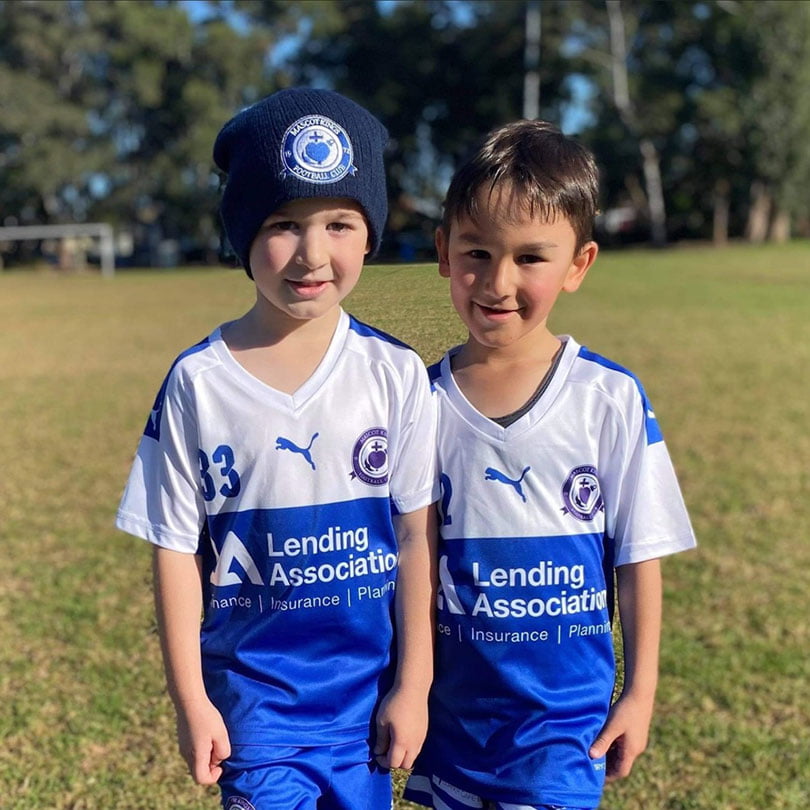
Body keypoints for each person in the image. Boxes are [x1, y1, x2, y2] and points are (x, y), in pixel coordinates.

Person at [115, 87, 438, 810]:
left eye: (340, 223)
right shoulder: (198, 383)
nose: (313, 253)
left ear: (371, 234)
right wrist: (191, 699)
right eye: (285, 224)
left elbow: (418, 536)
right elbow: (174, 550)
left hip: (368, 711)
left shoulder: (396, 374)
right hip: (256, 711)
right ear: (242, 232)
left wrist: (414, 683)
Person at [403, 120, 697, 810]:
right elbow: (417, 551)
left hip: (563, 727)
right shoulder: (418, 400)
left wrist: (641, 691)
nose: (499, 282)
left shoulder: (609, 397)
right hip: (456, 724)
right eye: (477, 251)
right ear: (444, 252)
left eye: (531, 257)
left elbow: (638, 555)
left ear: (578, 265)